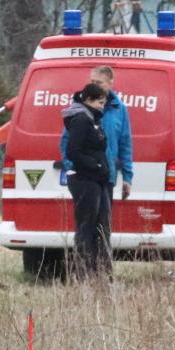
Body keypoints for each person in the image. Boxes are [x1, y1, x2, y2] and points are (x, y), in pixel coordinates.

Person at [62, 82, 113, 278]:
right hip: (85, 180)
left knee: (102, 226)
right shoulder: (81, 120)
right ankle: (83, 272)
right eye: (100, 103)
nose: (102, 107)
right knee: (86, 227)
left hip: (98, 180)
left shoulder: (93, 119)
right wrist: (95, 165)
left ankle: (101, 273)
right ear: (89, 100)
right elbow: (72, 151)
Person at [60, 65, 133, 203]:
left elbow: (125, 145)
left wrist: (127, 178)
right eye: (92, 82)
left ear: (110, 83)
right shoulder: (81, 109)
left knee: (104, 216)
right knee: (87, 215)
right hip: (85, 176)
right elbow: (66, 141)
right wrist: (72, 166)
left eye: (99, 82)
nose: (95, 85)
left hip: (107, 175)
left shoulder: (120, 109)